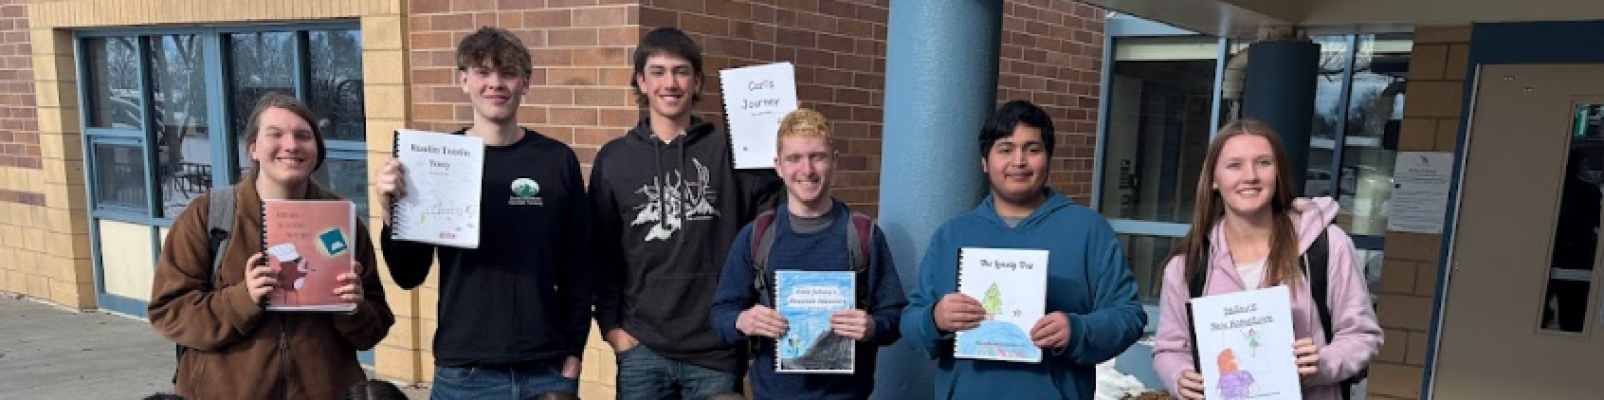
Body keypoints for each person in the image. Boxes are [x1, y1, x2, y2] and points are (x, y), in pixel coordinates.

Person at [375, 26, 592, 399]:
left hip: (546, 368)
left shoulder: (555, 160)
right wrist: (390, 212)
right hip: (465, 372)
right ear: (463, 81)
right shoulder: (434, 162)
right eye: (483, 73)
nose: (496, 84)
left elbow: (579, 266)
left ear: (526, 82)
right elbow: (408, 274)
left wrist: (573, 355)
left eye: (508, 73)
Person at [148, 93, 395, 399]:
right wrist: (242, 298)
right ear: (253, 148)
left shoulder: (339, 222)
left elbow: (375, 328)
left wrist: (352, 307)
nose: (291, 145)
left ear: (316, 150)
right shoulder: (210, 215)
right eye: (275, 135)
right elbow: (168, 312)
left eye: (303, 136)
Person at [900, 100, 1147, 399]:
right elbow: (912, 324)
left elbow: (1129, 316)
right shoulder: (952, 235)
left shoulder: (1088, 230)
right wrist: (935, 319)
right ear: (984, 161)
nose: (1019, 161)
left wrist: (1078, 330)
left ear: (1048, 157)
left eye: (1032, 149)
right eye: (1005, 149)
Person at [590, 26, 781, 399]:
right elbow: (601, 254)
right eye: (658, 72)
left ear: (696, 83)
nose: (670, 83)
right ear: (641, 83)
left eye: (681, 71)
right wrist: (612, 327)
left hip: (716, 349)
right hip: (641, 348)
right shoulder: (614, 159)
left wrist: (776, 158)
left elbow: (768, 230)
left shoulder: (734, 154)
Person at [1151, 119, 1382, 400]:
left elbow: (1362, 335)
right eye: (1234, 165)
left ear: (1278, 173)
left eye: (1263, 163)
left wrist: (1322, 364)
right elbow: (1169, 348)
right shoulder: (1188, 266)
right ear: (1214, 178)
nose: (1250, 176)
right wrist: (1179, 376)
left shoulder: (1327, 245)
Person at [709, 109, 908, 399]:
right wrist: (742, 321)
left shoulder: (863, 235)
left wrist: (873, 326)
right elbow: (720, 313)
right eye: (794, 158)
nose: (807, 170)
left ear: (834, 161)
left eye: (818, 156)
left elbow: (895, 315)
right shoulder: (757, 235)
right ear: (778, 166)